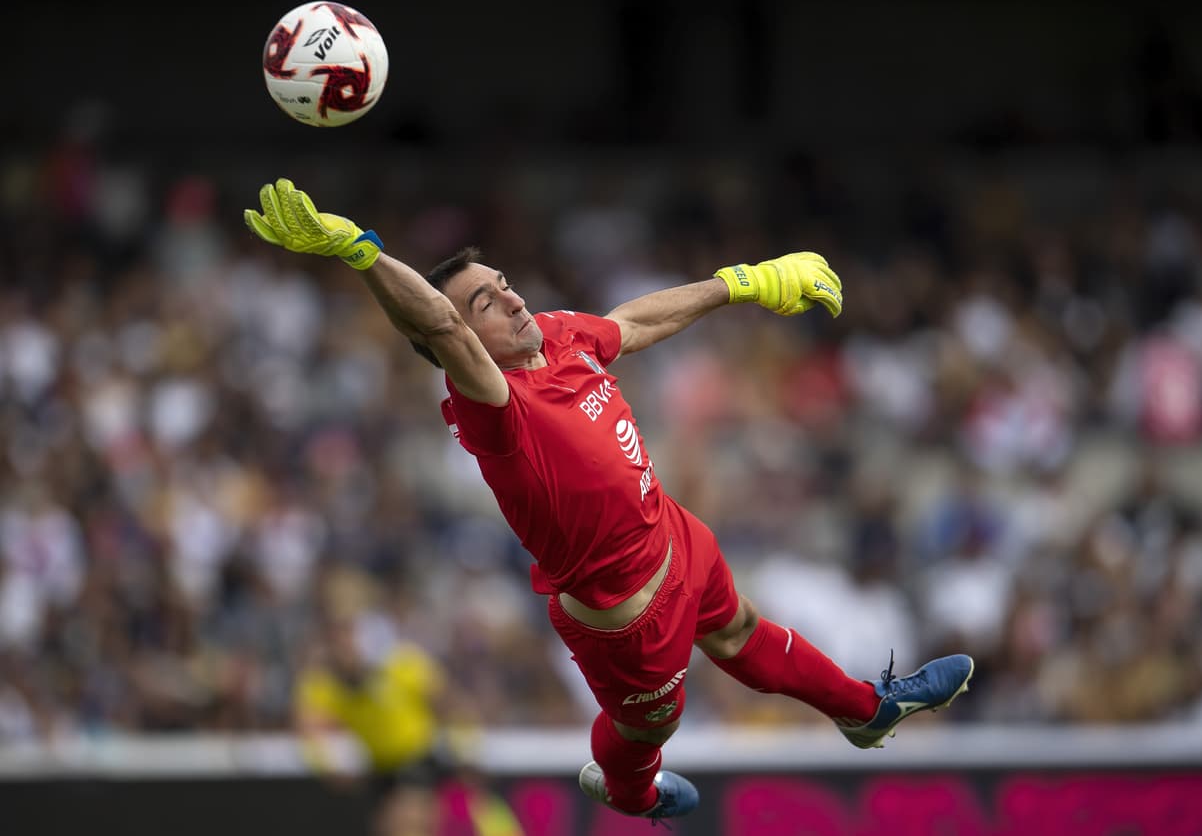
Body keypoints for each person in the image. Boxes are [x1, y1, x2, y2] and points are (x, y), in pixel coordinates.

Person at [247, 178, 975, 825]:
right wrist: (362, 251)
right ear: (463, 341)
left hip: (674, 532)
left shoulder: (559, 338)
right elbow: (436, 325)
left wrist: (745, 281)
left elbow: (636, 323)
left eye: (502, 282)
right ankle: (633, 793)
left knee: (738, 630)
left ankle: (868, 711)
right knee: (646, 732)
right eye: (485, 303)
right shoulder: (493, 407)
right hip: (628, 614)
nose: (510, 297)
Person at [294, 610, 457, 836]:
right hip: (379, 766)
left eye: (349, 636)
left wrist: (459, 741)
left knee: (408, 819)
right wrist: (328, 763)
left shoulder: (399, 664)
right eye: (337, 639)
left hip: (417, 755)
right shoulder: (325, 683)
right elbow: (310, 726)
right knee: (385, 827)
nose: (345, 646)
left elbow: (443, 698)